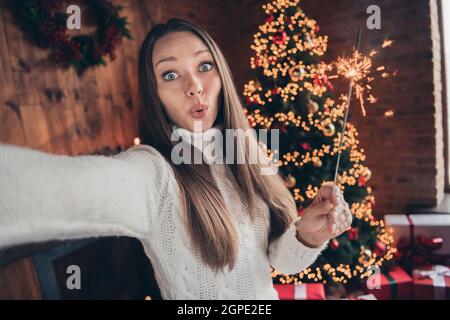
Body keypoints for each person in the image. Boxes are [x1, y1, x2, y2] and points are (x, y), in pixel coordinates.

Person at [0, 19, 352, 299]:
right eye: (171, 74)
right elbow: (56, 188)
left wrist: (307, 234)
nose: (194, 86)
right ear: (155, 95)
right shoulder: (153, 173)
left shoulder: (249, 152)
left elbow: (276, 261)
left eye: (204, 66)